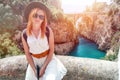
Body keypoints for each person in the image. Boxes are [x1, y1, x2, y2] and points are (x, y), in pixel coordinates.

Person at [21, 1, 67, 80]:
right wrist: (34, 70)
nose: (38, 18)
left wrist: (43, 68)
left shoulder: (48, 31)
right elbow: (28, 55)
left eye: (41, 17)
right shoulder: (24, 34)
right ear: (31, 16)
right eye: (35, 15)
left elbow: (51, 50)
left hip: (49, 60)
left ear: (43, 19)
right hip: (34, 62)